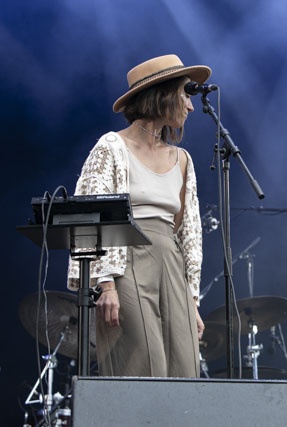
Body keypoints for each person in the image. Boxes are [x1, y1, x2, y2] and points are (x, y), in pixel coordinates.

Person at [67, 54, 210, 377]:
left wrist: (191, 300)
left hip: (170, 264)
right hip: (127, 258)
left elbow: (189, 233)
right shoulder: (112, 147)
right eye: (184, 94)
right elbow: (89, 217)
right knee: (145, 362)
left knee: (184, 367)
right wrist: (105, 285)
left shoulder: (183, 159)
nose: (190, 106)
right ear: (161, 95)